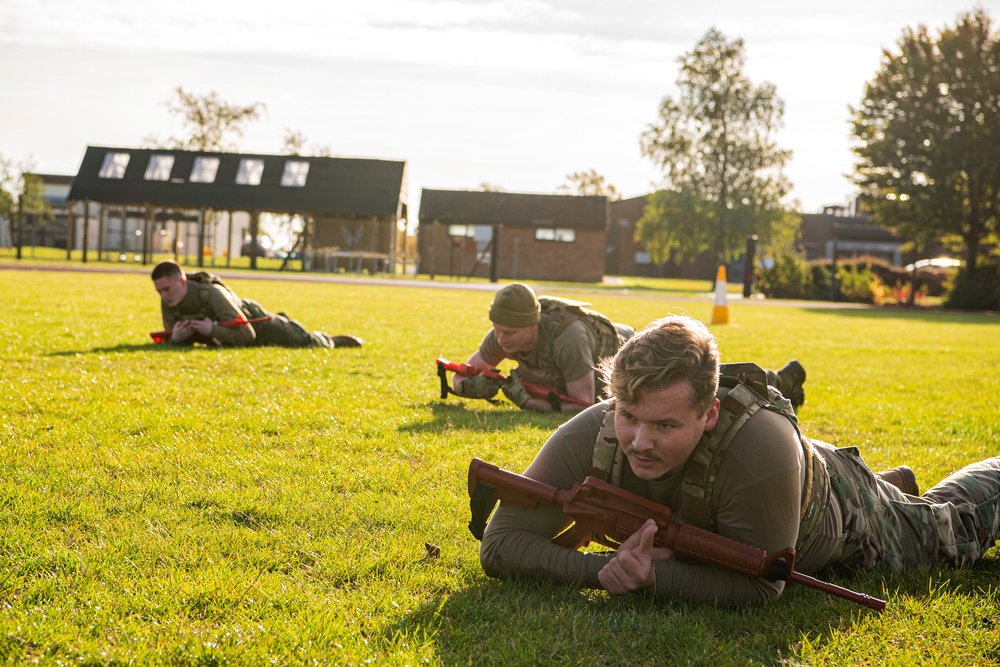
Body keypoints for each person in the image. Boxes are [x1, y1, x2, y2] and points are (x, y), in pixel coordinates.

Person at [477, 315, 1000, 606]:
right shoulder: (592, 433)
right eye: (629, 415)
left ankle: (896, 490)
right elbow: (500, 545)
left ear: (709, 414)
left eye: (665, 425)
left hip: (840, 511)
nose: (638, 441)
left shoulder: (758, 452)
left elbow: (763, 583)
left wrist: (653, 579)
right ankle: (891, 483)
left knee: (950, 533)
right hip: (769, 499)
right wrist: (601, 572)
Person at [452, 283, 807, 414]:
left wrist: (525, 400)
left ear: (533, 323)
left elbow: (584, 405)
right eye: (497, 330)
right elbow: (465, 371)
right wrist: (472, 387)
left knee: (710, 379)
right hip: (605, 359)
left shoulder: (569, 338)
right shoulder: (503, 334)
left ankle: (780, 381)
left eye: (510, 332)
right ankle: (782, 377)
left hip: (633, 353)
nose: (501, 340)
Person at [150, 260, 362, 349]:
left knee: (303, 342)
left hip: (258, 322)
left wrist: (212, 329)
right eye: (159, 291)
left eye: (167, 289)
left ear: (182, 280)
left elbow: (247, 334)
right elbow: (170, 336)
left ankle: (330, 339)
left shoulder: (212, 293)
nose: (164, 295)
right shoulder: (169, 301)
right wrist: (175, 339)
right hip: (229, 336)